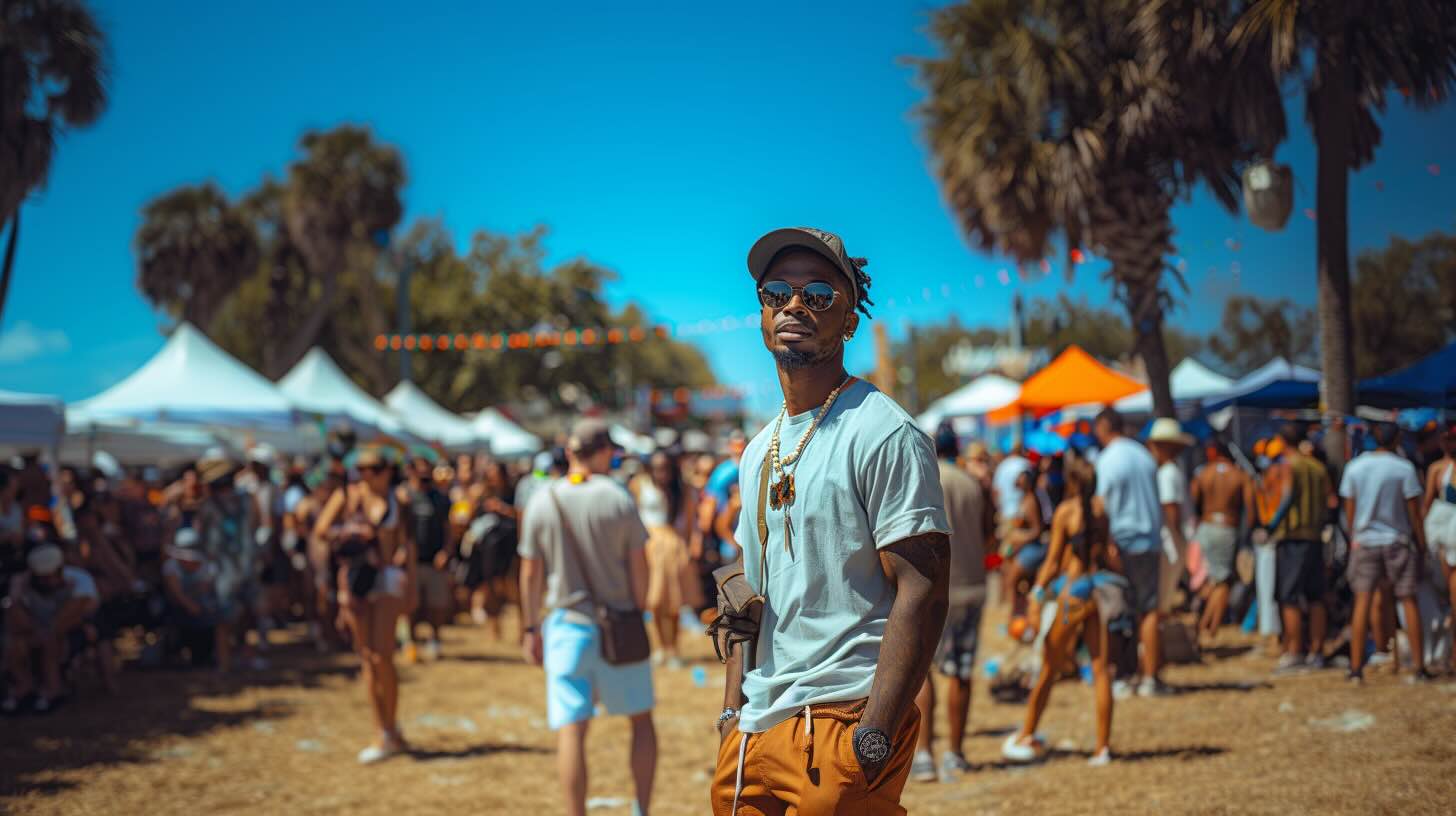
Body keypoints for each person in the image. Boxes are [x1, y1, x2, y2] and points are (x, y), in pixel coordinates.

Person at [710, 226, 950, 816]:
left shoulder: (884, 431)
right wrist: (731, 715)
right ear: (762, 313)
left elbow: (923, 590)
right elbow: (747, 595)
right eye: (776, 292)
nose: (794, 305)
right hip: (755, 731)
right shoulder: (757, 449)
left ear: (849, 319)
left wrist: (873, 737)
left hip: (842, 718)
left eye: (818, 294)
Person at [518, 419, 656, 816]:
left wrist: (530, 627)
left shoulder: (543, 499)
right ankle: (642, 809)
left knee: (572, 730)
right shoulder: (617, 498)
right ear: (603, 452)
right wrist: (640, 609)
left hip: (565, 624)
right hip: (620, 623)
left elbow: (529, 573)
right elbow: (639, 568)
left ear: (569, 452)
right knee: (640, 721)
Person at [1003, 455, 1122, 766]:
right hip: (1099, 591)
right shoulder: (1101, 509)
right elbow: (1109, 552)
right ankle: (1102, 748)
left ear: (1071, 481)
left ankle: (1027, 733)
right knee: (1100, 669)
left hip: (1074, 594)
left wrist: (1036, 595)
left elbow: (1053, 562)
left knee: (1048, 667)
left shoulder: (1066, 512)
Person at [314, 447, 416, 763]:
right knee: (367, 658)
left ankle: (390, 725)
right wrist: (349, 532)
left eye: (372, 469)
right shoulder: (347, 496)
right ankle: (381, 730)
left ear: (387, 470)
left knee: (382, 655)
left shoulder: (399, 500)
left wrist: (411, 588)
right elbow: (320, 530)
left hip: (386, 580)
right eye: (361, 469)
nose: (365, 475)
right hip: (356, 580)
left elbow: (407, 544)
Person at [913, 424, 991, 782]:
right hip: (971, 584)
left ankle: (924, 754)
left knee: (922, 671)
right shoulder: (972, 483)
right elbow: (989, 532)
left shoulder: (925, 480)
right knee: (960, 671)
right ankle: (955, 753)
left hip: (934, 587)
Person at [1341, 423, 1432, 683]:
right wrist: (1421, 544)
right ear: (1397, 439)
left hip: (1364, 541)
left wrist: (1354, 537)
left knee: (1363, 602)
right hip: (1397, 541)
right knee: (1408, 600)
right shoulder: (1403, 468)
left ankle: (1356, 668)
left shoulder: (1355, 467)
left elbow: (1350, 510)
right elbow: (1414, 513)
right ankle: (1419, 667)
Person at [1093, 407, 1166, 697]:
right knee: (1148, 611)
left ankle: (1124, 673)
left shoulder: (1109, 458)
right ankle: (1150, 677)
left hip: (1123, 543)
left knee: (1120, 612)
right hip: (1150, 540)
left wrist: (1105, 543)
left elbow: (1101, 505)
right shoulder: (1144, 455)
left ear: (1103, 427)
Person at [1258, 424, 1335, 673]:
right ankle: (1317, 651)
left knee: (1289, 596)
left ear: (1283, 441)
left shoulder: (1289, 465)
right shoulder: (1318, 467)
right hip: (1315, 537)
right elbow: (1330, 501)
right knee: (1315, 596)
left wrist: (1270, 526)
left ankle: (1294, 651)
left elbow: (1286, 497)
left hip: (1292, 537)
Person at [3, 543, 99, 713]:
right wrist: (15, 596)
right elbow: (15, 619)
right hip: (37, 632)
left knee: (51, 641)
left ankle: (53, 689)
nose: (46, 581)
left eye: (49, 576)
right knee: (15, 644)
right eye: (41, 577)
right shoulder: (23, 583)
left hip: (72, 633)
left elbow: (71, 618)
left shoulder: (80, 580)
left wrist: (44, 631)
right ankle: (24, 688)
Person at [631, 450, 702, 668]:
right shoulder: (639, 484)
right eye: (657, 468)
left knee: (673, 601)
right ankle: (660, 647)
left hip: (672, 544)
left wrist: (692, 544)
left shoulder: (683, 489)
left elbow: (690, 521)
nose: (661, 473)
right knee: (653, 601)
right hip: (648, 545)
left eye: (665, 468)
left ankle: (673, 648)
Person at [1190, 440, 1255, 644]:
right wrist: (1247, 534)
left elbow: (1193, 501)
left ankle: (1202, 620)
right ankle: (1210, 627)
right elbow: (1251, 509)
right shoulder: (1240, 475)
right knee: (1224, 581)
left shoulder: (1204, 473)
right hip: (1226, 528)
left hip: (1205, 527)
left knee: (1211, 577)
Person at [161, 527, 232, 670]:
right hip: (178, 612)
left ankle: (221, 662)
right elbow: (178, 595)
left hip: (203, 611)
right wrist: (192, 605)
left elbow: (209, 591)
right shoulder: (171, 567)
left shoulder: (208, 566)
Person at [404, 456, 453, 661]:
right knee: (410, 606)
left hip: (435, 562)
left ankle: (434, 640)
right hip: (411, 563)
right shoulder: (404, 497)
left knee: (436, 605)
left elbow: (448, 529)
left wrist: (446, 551)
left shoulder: (440, 499)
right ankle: (410, 642)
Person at [1148, 419, 1193, 619]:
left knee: (1161, 598)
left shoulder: (1167, 473)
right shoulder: (1174, 470)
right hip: (1176, 540)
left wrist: (1176, 537)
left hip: (1170, 541)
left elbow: (1170, 509)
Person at [1423, 424, 1456, 674]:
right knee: (1451, 597)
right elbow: (1426, 503)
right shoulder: (1437, 469)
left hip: (1448, 533)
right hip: (1445, 534)